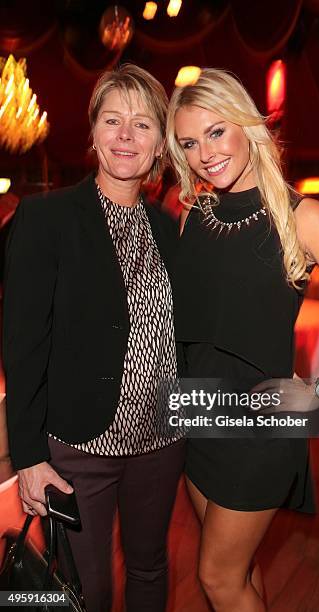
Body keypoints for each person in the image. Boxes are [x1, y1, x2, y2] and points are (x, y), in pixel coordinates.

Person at [166, 68, 319, 612]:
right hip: (198, 415)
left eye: (217, 132)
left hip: (261, 427)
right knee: (239, 570)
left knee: (216, 578)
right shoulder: (194, 213)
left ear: (249, 125)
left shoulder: (304, 217)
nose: (206, 153)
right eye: (190, 143)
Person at [3, 63, 185, 612]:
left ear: (160, 146)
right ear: (93, 135)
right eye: (112, 120)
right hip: (79, 448)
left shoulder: (173, 231)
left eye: (142, 124)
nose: (126, 134)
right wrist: (28, 456)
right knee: (87, 589)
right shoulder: (45, 219)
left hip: (160, 443)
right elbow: (24, 343)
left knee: (151, 568)